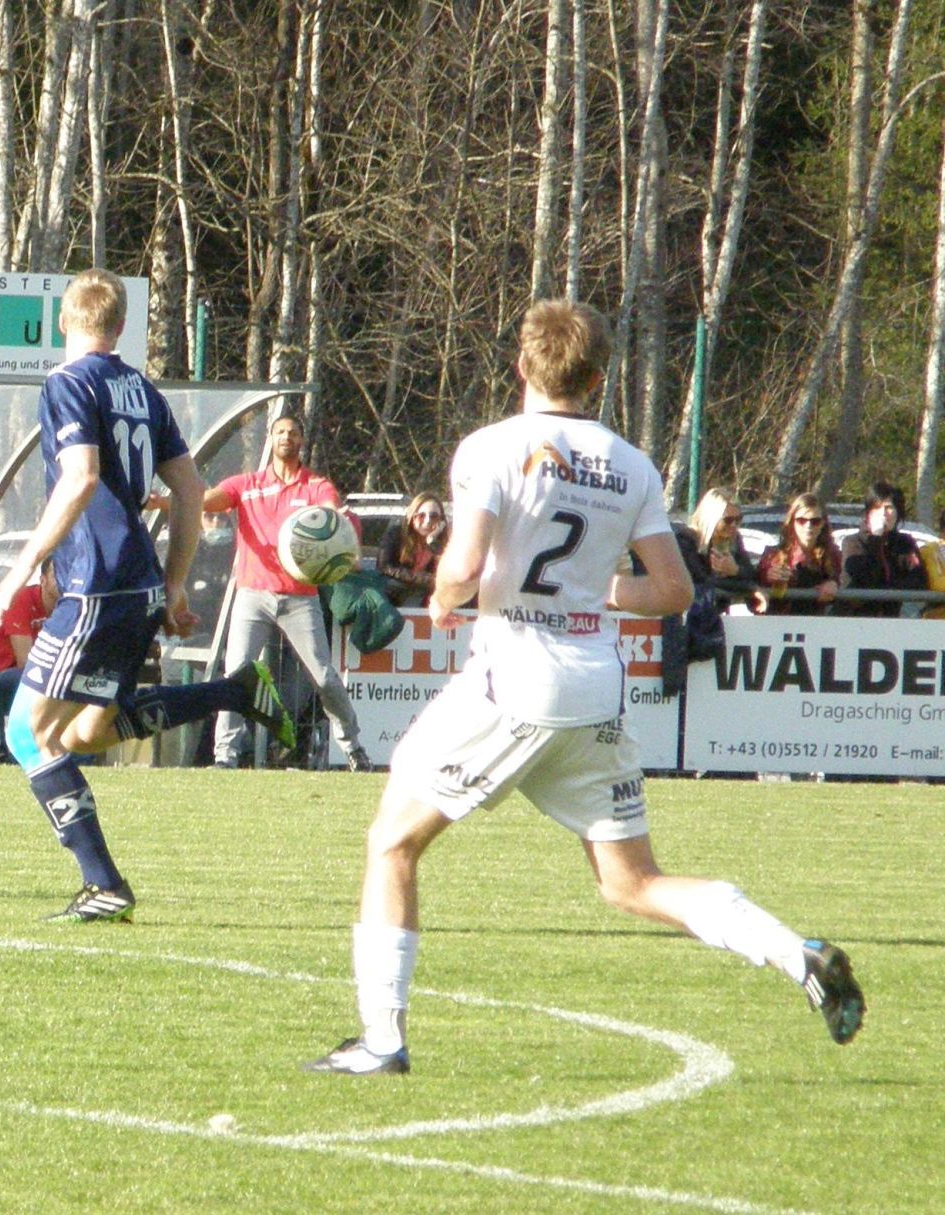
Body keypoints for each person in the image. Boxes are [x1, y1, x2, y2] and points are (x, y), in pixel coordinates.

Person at [307, 300, 864, 1076]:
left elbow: (461, 568)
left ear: (519, 365)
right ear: (598, 378)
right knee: (632, 881)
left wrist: (442, 596)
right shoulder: (629, 465)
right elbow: (672, 590)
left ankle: (381, 1040)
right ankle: (794, 952)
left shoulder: (491, 447)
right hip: (595, 686)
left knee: (391, 841)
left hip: (513, 679)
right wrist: (597, 589)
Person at [0, 268, 295, 923]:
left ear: (62, 321)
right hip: (137, 583)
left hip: (96, 586)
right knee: (86, 730)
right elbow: (191, 489)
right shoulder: (143, 391)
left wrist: (25, 563)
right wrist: (175, 581)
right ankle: (234, 692)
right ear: (121, 327)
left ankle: (104, 884)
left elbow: (79, 478)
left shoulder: (67, 383)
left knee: (26, 732)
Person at [201, 413, 373, 773]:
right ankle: (225, 756)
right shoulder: (247, 485)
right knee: (237, 674)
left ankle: (354, 748)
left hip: (300, 599)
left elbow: (332, 516)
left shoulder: (316, 486)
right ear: (270, 438)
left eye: (293, 432)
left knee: (323, 677)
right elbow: (206, 501)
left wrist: (343, 541)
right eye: (279, 431)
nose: (286, 437)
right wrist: (162, 502)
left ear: (301, 441)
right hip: (253, 596)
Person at [838, 480, 926, 618]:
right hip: (859, 619)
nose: (883, 514)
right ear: (868, 513)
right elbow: (862, 580)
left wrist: (890, 589)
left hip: (893, 619)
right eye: (877, 508)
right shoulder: (852, 542)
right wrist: (875, 539)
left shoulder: (905, 543)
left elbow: (919, 580)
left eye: (889, 508)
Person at [754, 493, 842, 616]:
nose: (808, 526)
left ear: (823, 524)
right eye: (801, 520)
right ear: (792, 522)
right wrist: (768, 578)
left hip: (818, 623)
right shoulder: (773, 555)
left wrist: (835, 584)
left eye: (815, 521)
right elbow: (753, 595)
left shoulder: (834, 556)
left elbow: (847, 585)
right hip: (779, 622)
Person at [675, 487, 756, 610]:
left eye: (738, 519)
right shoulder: (686, 540)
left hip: (717, 611)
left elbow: (751, 574)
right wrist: (748, 587)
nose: (734, 525)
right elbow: (703, 580)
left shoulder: (735, 539)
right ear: (711, 518)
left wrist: (736, 571)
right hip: (690, 611)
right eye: (728, 520)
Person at [378, 492, 450, 608]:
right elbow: (385, 567)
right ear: (411, 517)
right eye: (421, 516)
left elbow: (448, 570)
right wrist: (424, 578)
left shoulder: (441, 539)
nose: (427, 521)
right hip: (395, 586)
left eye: (434, 516)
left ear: (441, 520)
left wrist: (432, 541)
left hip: (422, 590)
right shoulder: (396, 533)